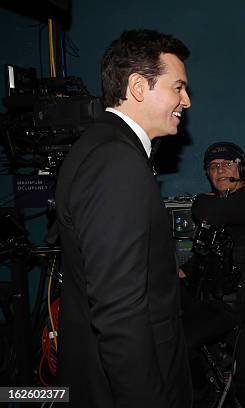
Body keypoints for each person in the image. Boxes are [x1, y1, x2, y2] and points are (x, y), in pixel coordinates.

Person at [55, 29, 192, 408]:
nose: (187, 101)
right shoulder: (117, 161)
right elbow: (119, 311)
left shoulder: (103, 146)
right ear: (137, 87)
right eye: (177, 87)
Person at [180, 142, 245, 407]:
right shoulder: (223, 205)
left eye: (227, 164)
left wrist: (201, 200)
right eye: (214, 166)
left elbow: (206, 209)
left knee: (178, 340)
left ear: (241, 167)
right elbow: (208, 255)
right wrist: (181, 271)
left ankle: (203, 398)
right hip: (210, 298)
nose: (220, 170)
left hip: (238, 304)